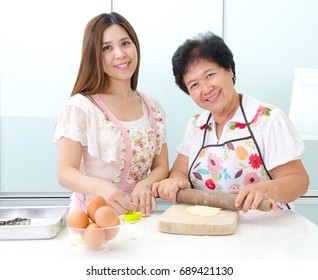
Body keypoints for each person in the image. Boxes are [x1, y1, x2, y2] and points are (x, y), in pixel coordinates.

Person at [152, 31, 309, 212]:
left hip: (266, 230)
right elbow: (179, 171)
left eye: (210, 75)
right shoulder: (196, 125)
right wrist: (175, 181)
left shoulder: (267, 119)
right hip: (210, 229)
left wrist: (266, 190)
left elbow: (298, 180)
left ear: (229, 69)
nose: (206, 89)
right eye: (194, 85)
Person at [53, 12, 169, 217]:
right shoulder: (81, 107)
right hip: (92, 220)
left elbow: (161, 166)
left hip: (140, 219)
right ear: (94, 55)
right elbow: (64, 172)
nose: (120, 54)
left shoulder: (153, 107)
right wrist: (100, 187)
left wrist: (146, 184)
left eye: (125, 43)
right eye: (107, 48)